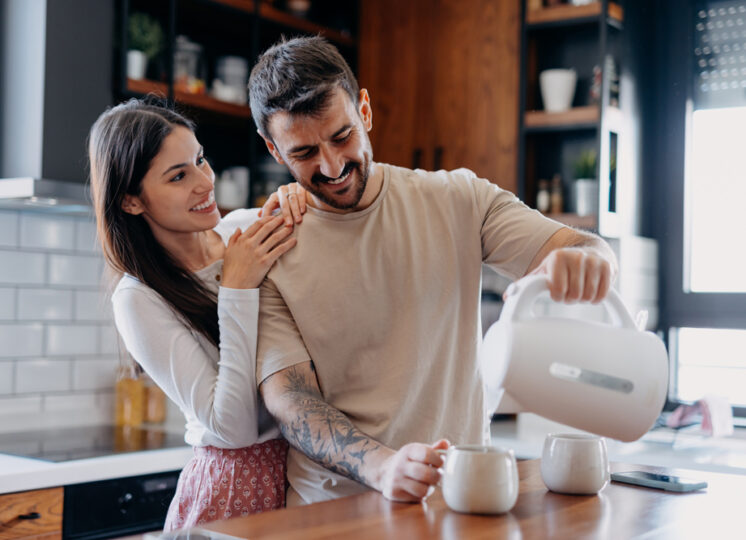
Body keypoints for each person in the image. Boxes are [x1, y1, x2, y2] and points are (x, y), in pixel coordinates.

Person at [247, 36, 619, 506]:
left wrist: (586, 260)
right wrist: (383, 467)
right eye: (303, 153)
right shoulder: (270, 246)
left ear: (364, 111)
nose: (332, 164)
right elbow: (292, 402)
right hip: (330, 512)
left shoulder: (459, 199)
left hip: (457, 497)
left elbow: (586, 246)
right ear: (274, 151)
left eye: (342, 136)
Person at [87, 99, 308, 528]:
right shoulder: (138, 298)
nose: (205, 181)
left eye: (200, 160)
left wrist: (303, 199)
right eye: (178, 175)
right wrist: (237, 289)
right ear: (131, 201)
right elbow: (235, 429)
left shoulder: (245, 229)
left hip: (306, 474)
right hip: (232, 492)